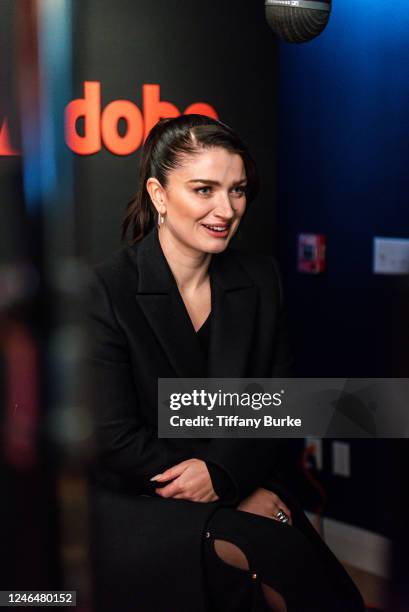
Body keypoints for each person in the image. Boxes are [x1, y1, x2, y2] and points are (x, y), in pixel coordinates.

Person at [86, 114, 365, 612]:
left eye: (236, 190)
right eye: (204, 189)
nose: (226, 209)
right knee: (277, 565)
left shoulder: (260, 280)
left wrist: (225, 474)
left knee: (330, 592)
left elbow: (278, 407)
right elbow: (114, 438)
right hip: (141, 503)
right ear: (158, 193)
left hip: (237, 480)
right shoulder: (106, 289)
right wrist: (220, 487)